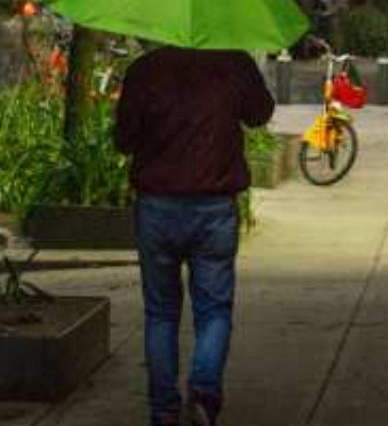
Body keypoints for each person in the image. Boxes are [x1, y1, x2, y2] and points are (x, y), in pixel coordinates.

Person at [115, 46, 275, 426]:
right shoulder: (233, 64)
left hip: (157, 208)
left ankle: (164, 410)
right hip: (214, 207)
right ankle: (204, 393)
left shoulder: (145, 70)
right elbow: (260, 113)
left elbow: (124, 139)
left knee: (160, 313)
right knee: (214, 309)